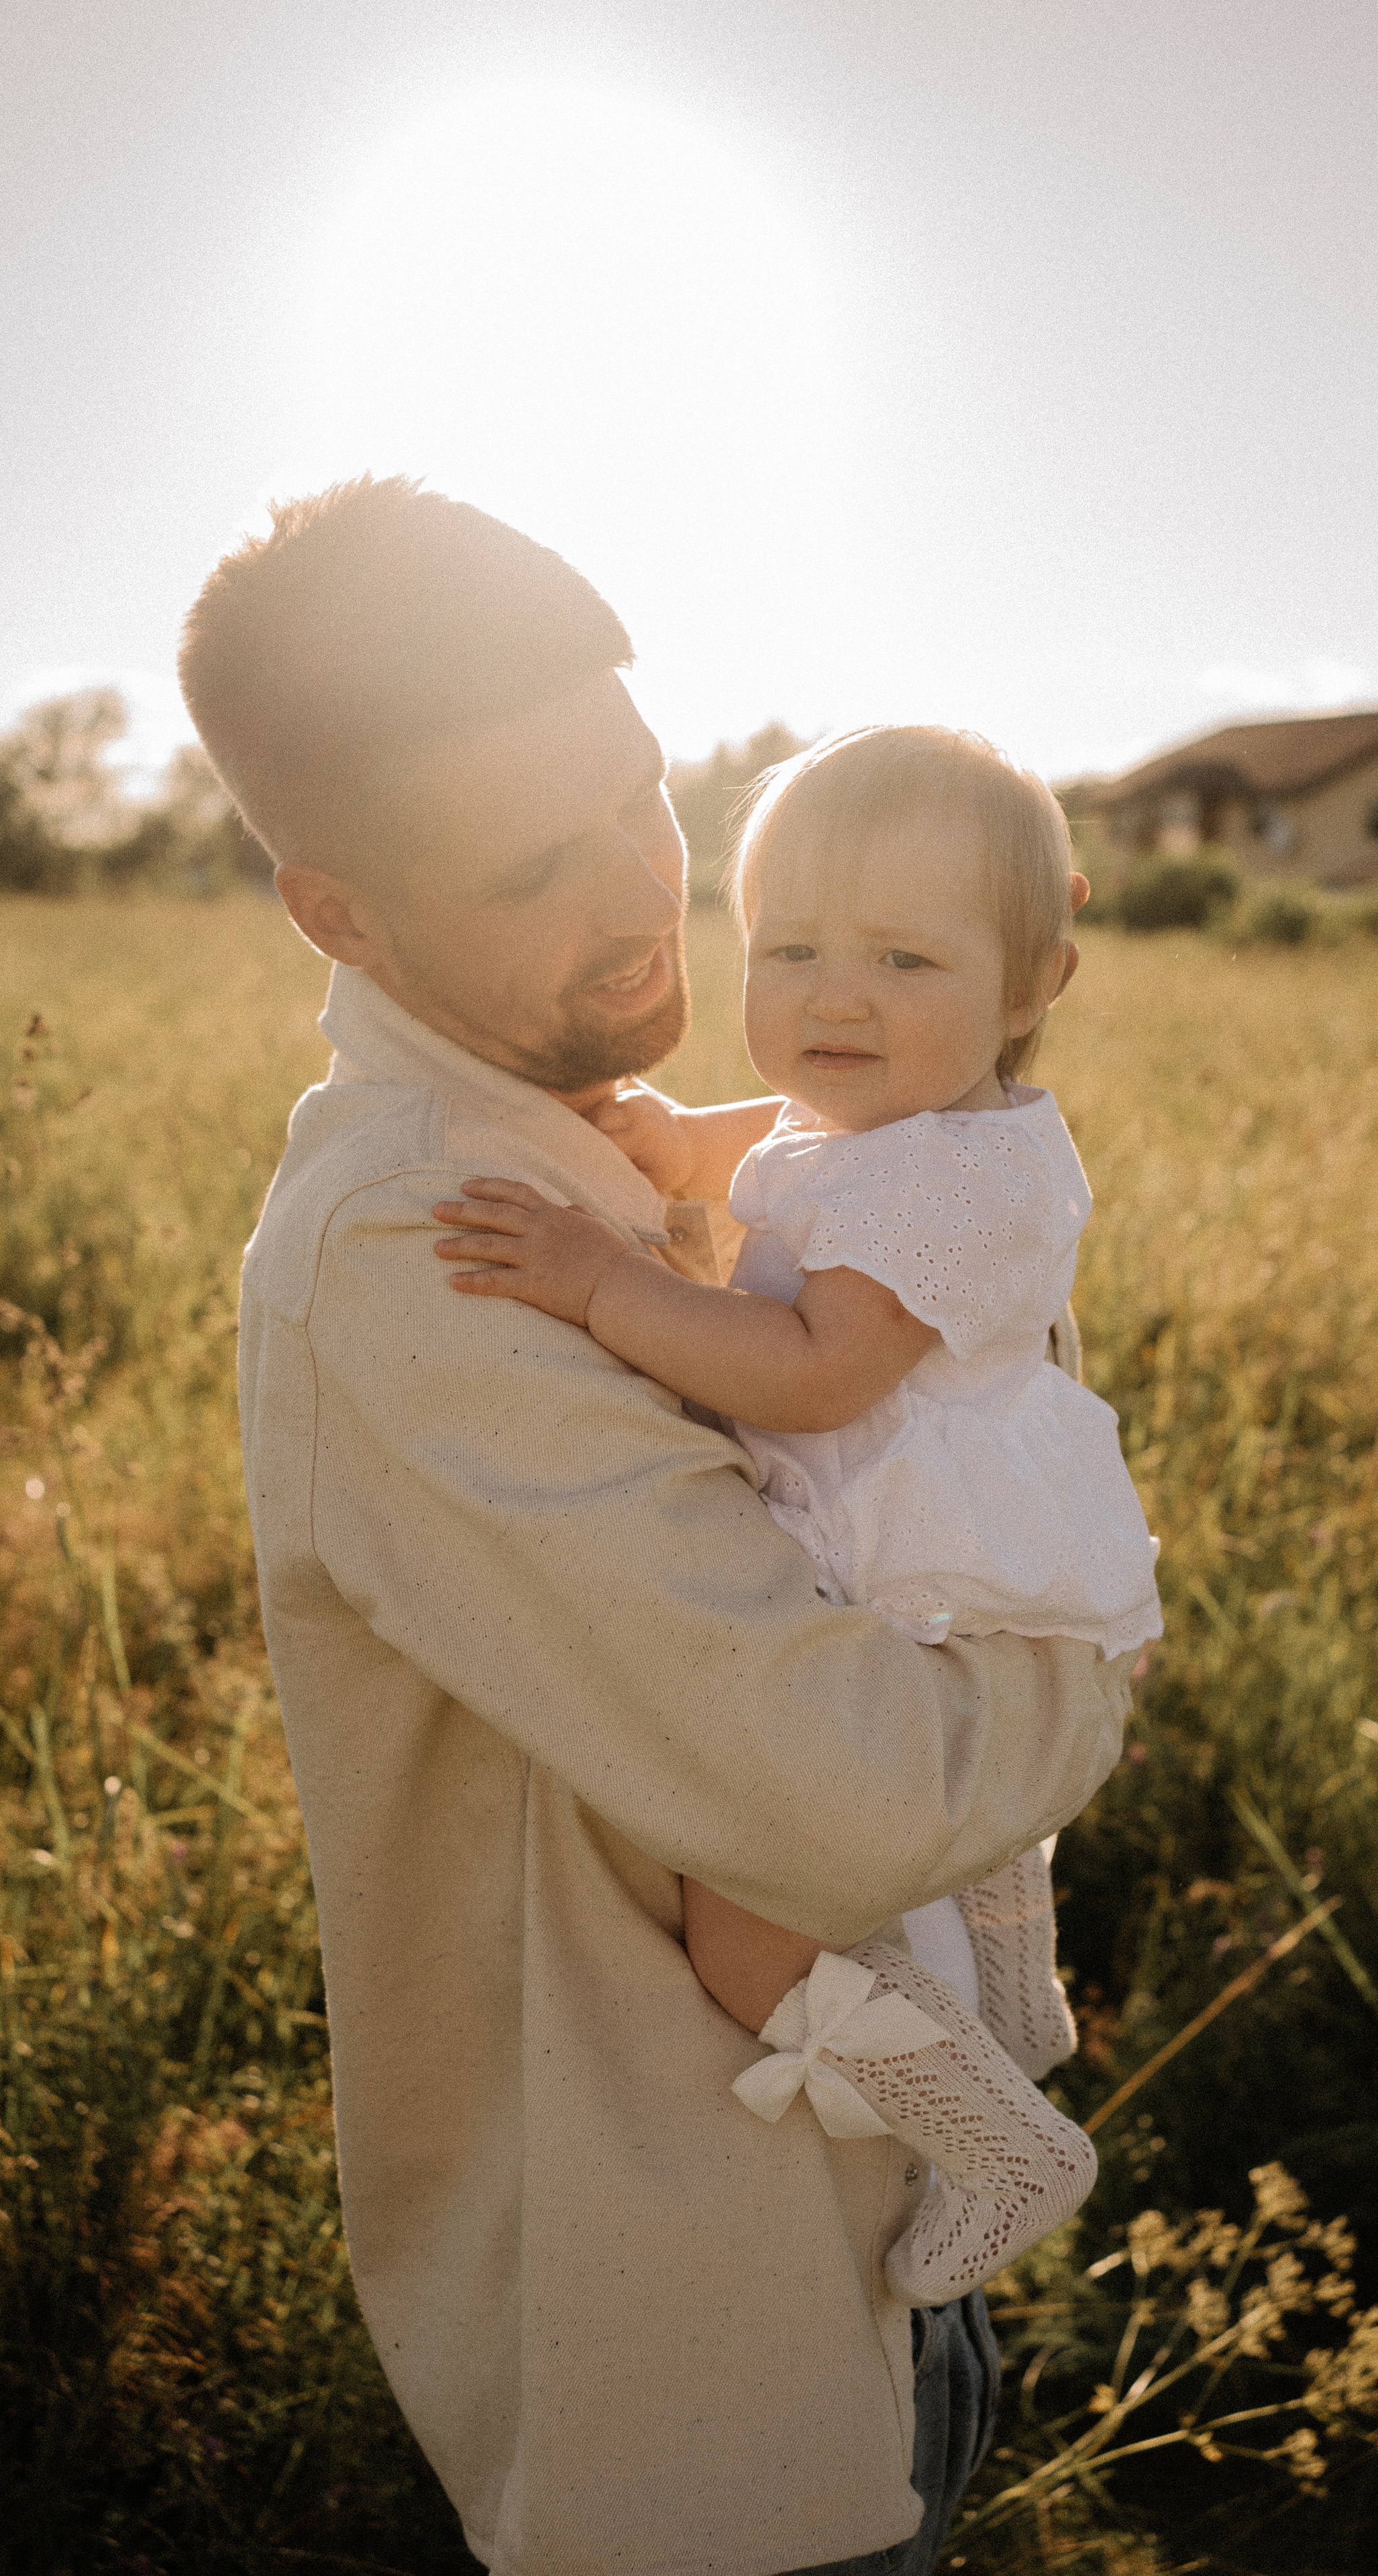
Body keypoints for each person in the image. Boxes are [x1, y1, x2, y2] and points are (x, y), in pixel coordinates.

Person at [180, 475, 1134, 2576]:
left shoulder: (590, 1158)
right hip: (700, 2363)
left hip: (851, 2248)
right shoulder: (425, 1246)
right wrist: (1087, 1656)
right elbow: (867, 1786)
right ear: (340, 913)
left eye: (639, 799)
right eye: (539, 863)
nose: (643, 896)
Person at [430, 724, 1163, 2307]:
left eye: (905, 957)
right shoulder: (894, 1121)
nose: (836, 998)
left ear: (1036, 981)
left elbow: (814, 1373)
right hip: (960, 1568)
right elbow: (760, 1154)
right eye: (791, 949)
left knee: (745, 1944)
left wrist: (603, 1279)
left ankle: (1000, 2140)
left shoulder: (948, 1182)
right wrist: (655, 1143)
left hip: (909, 1558)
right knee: (972, 1815)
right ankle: (1019, 2005)